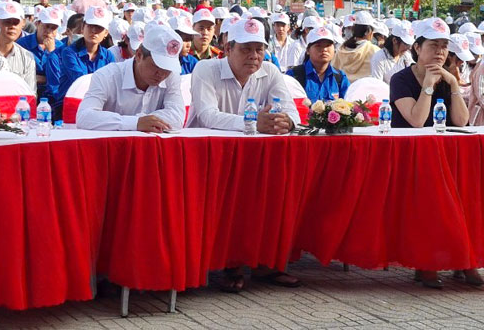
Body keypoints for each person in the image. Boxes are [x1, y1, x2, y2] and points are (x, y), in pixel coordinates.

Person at [188, 17, 301, 291]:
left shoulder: (271, 71)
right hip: (209, 157)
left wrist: (287, 122)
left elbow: (293, 113)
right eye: (246, 49)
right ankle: (230, 263)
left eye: (259, 49)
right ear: (228, 48)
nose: (254, 56)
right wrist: (251, 123)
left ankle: (266, 263)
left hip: (256, 160)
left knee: (276, 193)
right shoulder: (206, 69)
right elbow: (206, 114)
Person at [388, 17, 471, 289]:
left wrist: (454, 85)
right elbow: (416, 119)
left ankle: (463, 259)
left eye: (445, 47)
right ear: (417, 47)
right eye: (433, 45)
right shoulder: (400, 79)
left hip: (443, 154)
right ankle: (427, 263)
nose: (440, 52)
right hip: (409, 154)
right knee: (431, 197)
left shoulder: (448, 79)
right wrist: (428, 85)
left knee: (468, 192)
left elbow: (461, 122)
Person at [76, 25, 186, 131]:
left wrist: (140, 121)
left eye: (167, 68)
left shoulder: (171, 77)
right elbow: (84, 117)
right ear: (139, 55)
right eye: (156, 66)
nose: (161, 74)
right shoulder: (106, 76)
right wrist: (136, 122)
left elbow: (177, 117)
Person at [49, 6, 115, 119]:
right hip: (70, 105)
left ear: (106, 33)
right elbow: (80, 79)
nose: (94, 31)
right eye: (90, 26)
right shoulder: (69, 53)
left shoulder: (108, 56)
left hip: (98, 106)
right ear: (83, 27)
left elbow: (112, 84)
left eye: (99, 28)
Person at [286, 26, 349, 102]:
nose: (324, 49)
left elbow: (348, 105)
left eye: (328, 45)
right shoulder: (294, 75)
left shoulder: (340, 77)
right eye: (318, 46)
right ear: (308, 50)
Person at [16, 6, 64, 98]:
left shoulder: (61, 48)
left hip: (52, 95)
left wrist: (52, 53)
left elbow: (59, 77)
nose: (49, 32)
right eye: (46, 26)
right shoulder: (22, 44)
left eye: (53, 28)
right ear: (38, 24)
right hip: (26, 92)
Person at [0, 0, 36, 93]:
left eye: (16, 23)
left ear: (23, 23)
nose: (12, 27)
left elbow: (30, 93)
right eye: (7, 22)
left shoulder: (27, 58)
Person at [332, 11, 378, 81]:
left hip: (344, 90)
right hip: (366, 90)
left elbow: (334, 70)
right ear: (368, 31)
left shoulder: (341, 49)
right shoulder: (374, 50)